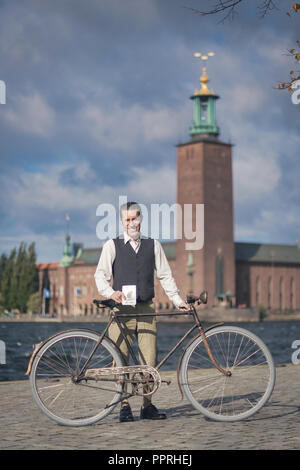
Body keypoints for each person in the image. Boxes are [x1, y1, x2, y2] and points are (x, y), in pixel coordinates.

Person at [94, 201, 189, 422]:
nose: (131, 223)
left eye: (134, 218)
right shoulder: (112, 245)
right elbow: (100, 275)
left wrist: (177, 300)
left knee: (149, 359)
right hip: (121, 310)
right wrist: (110, 292)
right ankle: (123, 405)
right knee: (120, 360)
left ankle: (148, 405)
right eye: (126, 219)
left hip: (146, 308)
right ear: (122, 221)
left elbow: (165, 275)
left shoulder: (153, 245)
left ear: (141, 219)